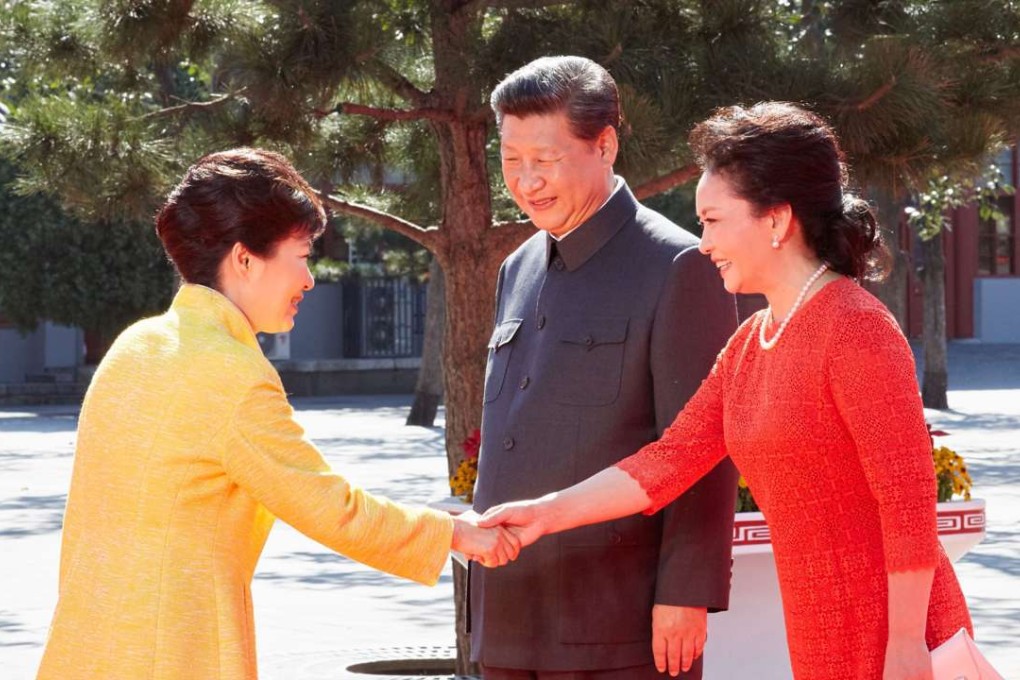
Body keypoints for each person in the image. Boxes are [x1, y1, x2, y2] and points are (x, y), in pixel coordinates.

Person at [480, 101, 975, 680]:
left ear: (775, 220)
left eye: (713, 221)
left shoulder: (856, 328)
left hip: (901, 636)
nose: (703, 242)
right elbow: (664, 464)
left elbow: (909, 505)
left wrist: (906, 646)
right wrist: (543, 514)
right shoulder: (750, 344)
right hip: (820, 630)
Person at [36, 148, 518, 680]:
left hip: (88, 644)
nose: (309, 280)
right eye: (303, 256)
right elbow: (329, 507)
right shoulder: (232, 373)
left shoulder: (136, 345)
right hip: (175, 650)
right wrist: (454, 534)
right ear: (245, 259)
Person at [470, 56, 741, 680]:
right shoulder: (518, 267)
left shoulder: (679, 265)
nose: (527, 180)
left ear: (604, 145)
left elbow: (700, 447)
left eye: (546, 158)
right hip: (506, 614)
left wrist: (686, 591)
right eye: (511, 160)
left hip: (616, 623)